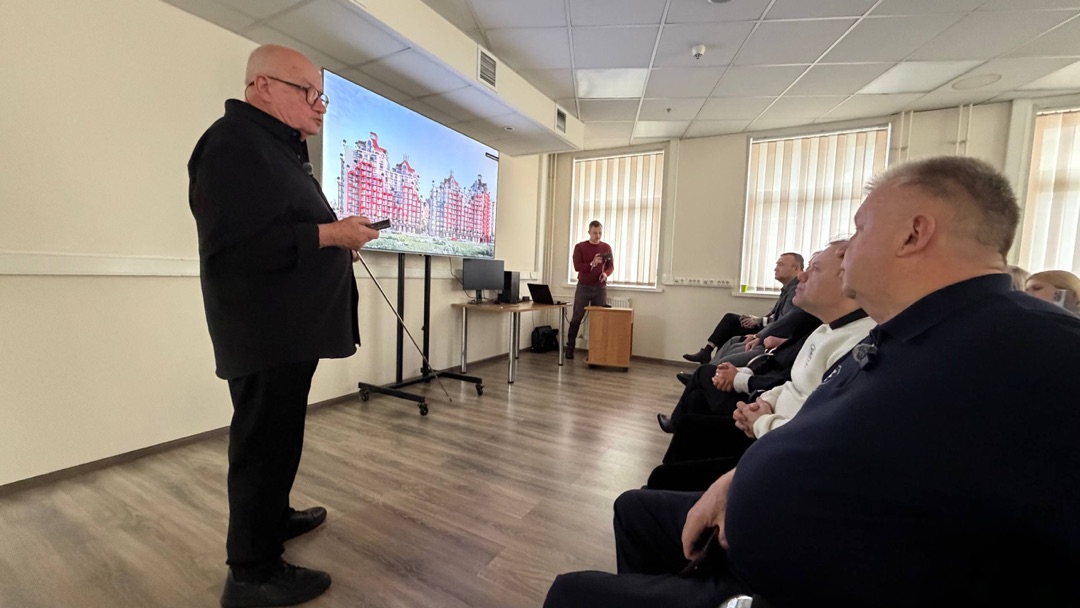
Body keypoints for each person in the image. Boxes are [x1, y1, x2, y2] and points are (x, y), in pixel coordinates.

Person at [544, 156, 1080, 608]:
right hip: (756, 535)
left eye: (861, 228)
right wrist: (740, 481)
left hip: (792, 582)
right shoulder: (906, 331)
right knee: (635, 517)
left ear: (914, 234)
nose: (847, 249)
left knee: (572, 593)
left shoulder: (1045, 353)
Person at [188, 44, 380, 608]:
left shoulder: (276, 147)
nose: (320, 105)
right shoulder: (231, 144)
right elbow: (236, 248)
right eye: (308, 92)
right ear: (263, 86)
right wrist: (333, 235)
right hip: (264, 333)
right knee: (261, 445)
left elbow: (281, 231)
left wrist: (333, 240)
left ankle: (272, 518)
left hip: (288, 331)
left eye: (322, 96)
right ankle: (251, 573)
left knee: (280, 438)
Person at [650, 242, 874, 491]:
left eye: (815, 269)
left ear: (847, 280)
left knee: (662, 472)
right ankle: (686, 497)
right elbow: (792, 382)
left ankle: (684, 495)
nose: (803, 276)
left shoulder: (860, 344)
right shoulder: (825, 329)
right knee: (695, 410)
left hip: (775, 440)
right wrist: (764, 401)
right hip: (765, 410)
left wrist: (757, 410)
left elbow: (818, 430)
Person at [682, 253, 803, 364]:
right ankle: (708, 357)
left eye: (780, 264)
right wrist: (757, 318)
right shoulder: (787, 289)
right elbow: (775, 314)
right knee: (731, 320)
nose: (775, 269)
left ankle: (708, 362)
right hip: (767, 327)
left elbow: (782, 321)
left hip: (770, 333)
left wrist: (759, 326)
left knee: (733, 334)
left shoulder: (796, 291)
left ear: (795, 268)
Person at [565, 220, 613, 359]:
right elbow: (577, 267)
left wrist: (605, 274)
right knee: (577, 317)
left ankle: (596, 353)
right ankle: (570, 348)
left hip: (600, 287)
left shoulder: (606, 247)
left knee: (599, 320)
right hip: (583, 287)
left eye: (600, 233)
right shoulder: (580, 247)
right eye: (595, 233)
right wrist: (592, 263)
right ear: (589, 232)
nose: (598, 236)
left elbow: (610, 266)